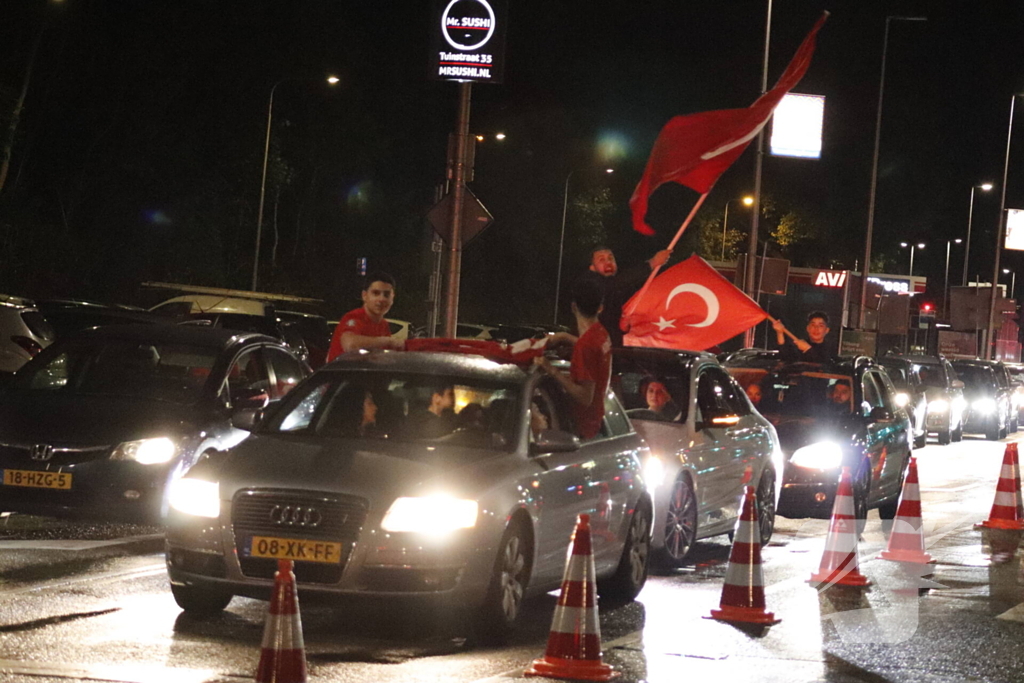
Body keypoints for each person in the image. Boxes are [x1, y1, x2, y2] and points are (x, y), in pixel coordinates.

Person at [534, 278, 611, 440]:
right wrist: (566, 337)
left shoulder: (586, 346)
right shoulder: (601, 334)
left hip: (581, 432)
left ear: (574, 307)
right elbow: (594, 351)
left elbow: (585, 397)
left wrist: (550, 369)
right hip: (595, 425)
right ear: (600, 308)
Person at [576, 245, 672, 347]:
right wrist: (652, 263)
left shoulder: (618, 287)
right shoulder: (588, 283)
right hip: (595, 347)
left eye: (610, 258)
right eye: (601, 259)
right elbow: (618, 283)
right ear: (592, 267)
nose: (608, 262)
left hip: (615, 345)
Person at [326, 272, 404, 362]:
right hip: (342, 374)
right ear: (364, 295)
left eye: (386, 295)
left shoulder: (384, 325)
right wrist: (388, 341)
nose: (381, 299)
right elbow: (350, 345)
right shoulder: (354, 317)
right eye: (375, 293)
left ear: (392, 298)